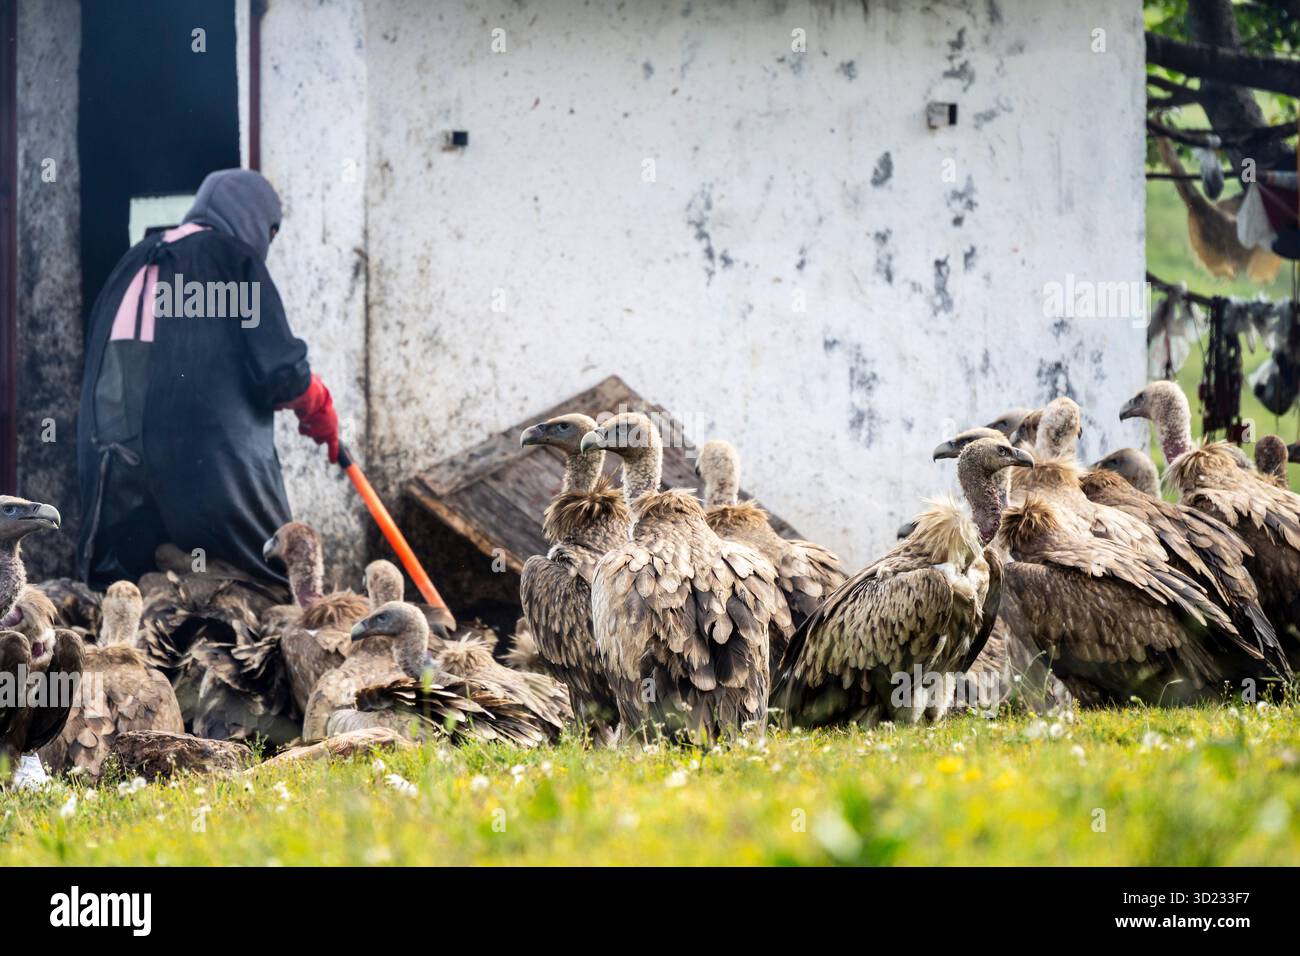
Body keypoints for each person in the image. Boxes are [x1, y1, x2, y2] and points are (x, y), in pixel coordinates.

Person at [76, 169, 339, 586]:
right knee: (267, 591)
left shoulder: (133, 260)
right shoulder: (232, 256)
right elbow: (281, 374)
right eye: (270, 231)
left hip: (113, 470)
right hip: (207, 472)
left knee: (123, 601)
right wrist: (318, 405)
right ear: (255, 219)